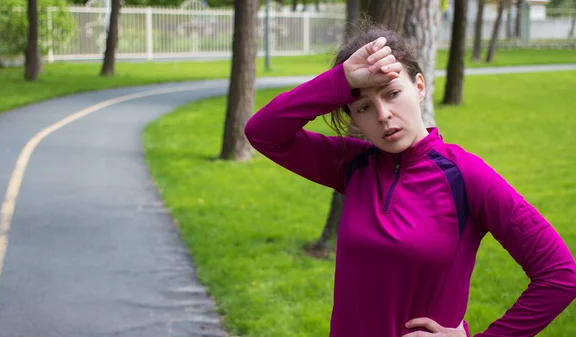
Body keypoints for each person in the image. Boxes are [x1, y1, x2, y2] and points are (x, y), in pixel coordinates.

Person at [244, 22, 576, 337]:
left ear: (418, 87)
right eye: (363, 107)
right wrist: (340, 80)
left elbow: (560, 274)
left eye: (391, 94)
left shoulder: (466, 176)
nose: (383, 115)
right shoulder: (354, 166)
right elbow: (263, 132)